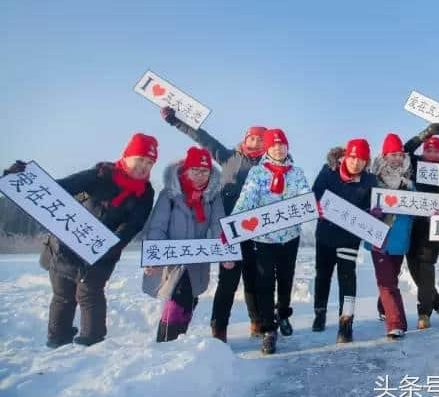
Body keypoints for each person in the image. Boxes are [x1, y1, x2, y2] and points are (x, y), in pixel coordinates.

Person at [3, 133, 157, 348]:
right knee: (63, 296)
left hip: (103, 252)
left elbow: (133, 225)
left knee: (90, 295)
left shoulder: (146, 193)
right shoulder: (102, 173)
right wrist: (21, 177)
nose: (144, 166)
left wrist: (107, 246)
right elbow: (59, 188)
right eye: (140, 159)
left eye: (150, 163)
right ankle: (57, 341)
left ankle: (91, 345)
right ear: (127, 155)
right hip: (66, 244)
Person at [160, 107, 264, 340]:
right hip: (229, 231)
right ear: (246, 139)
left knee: (254, 278)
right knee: (228, 281)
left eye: (261, 139)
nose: (256, 142)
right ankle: (219, 329)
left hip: (257, 231)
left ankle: (257, 322)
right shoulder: (228, 157)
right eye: (253, 138)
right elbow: (202, 137)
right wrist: (176, 121)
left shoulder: (270, 165)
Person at [232, 128, 311, 354]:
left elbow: (304, 195)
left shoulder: (296, 172)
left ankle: (283, 313)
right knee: (265, 282)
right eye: (274, 144)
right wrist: (232, 226)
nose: (278, 148)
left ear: (287, 147)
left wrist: (312, 206)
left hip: (290, 237)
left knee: (286, 279)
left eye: (282, 144)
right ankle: (268, 329)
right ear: (267, 148)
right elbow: (246, 200)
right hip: (263, 239)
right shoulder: (257, 173)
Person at [142, 147, 232, 341]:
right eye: (195, 171)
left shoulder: (212, 197)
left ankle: (177, 342)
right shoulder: (169, 195)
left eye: (205, 171)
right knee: (176, 300)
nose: (200, 176)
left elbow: (218, 225)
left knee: (190, 301)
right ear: (185, 170)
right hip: (171, 261)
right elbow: (157, 227)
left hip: (197, 261)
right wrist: (154, 258)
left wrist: (226, 254)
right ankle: (166, 343)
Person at [311, 139, 378, 343]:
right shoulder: (328, 172)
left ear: (366, 162)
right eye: (353, 158)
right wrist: (317, 205)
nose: (356, 163)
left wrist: (374, 213)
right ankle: (320, 313)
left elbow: (372, 205)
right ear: (345, 156)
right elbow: (315, 194)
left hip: (349, 237)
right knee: (323, 276)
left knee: (347, 278)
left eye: (361, 160)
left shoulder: (370, 181)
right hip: (325, 234)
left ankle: (346, 322)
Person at [402, 124, 439, 329]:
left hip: (435, 227)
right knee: (416, 272)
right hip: (413, 227)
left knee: (427, 268)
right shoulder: (414, 165)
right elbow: (405, 150)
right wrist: (425, 134)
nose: (431, 153)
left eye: (435, 150)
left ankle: (424, 313)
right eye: (428, 149)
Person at [367, 133, 414, 339]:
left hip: (400, 236)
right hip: (378, 235)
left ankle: (382, 306)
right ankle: (396, 323)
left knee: (391, 277)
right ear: (384, 156)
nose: (396, 158)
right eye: (392, 154)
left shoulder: (409, 180)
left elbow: (417, 206)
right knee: (386, 280)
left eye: (399, 155)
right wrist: (372, 211)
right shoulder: (373, 178)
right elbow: (361, 200)